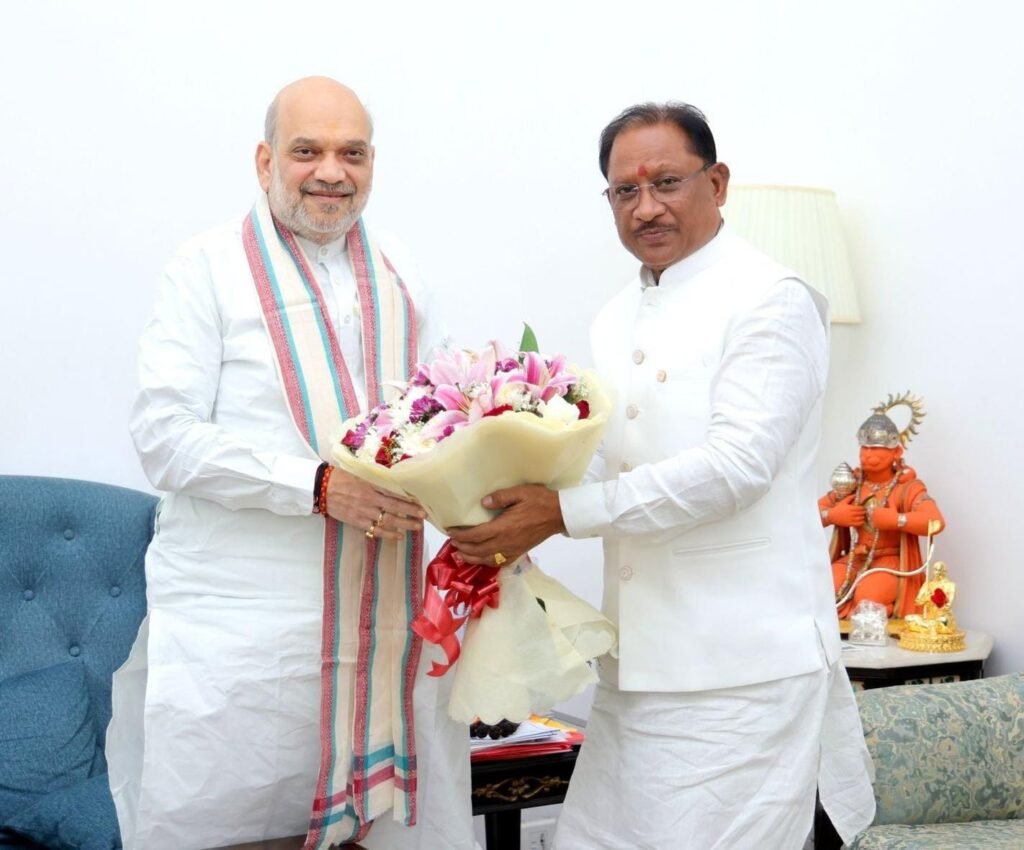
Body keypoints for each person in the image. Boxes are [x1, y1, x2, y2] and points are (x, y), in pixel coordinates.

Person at [448, 102, 876, 849]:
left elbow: (736, 468)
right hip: (636, 666)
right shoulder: (616, 316)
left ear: (718, 182)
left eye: (667, 182)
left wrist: (561, 513)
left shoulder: (772, 299)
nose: (645, 207)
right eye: (625, 190)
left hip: (741, 671)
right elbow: (609, 461)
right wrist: (497, 501)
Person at [107, 77, 474, 850]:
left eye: (353, 153)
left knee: (392, 829)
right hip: (245, 627)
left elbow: (443, 411)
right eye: (308, 151)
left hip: (386, 614)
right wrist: (317, 486)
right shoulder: (206, 267)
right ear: (265, 159)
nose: (331, 172)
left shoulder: (402, 270)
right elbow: (164, 436)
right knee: (228, 828)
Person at [820, 411, 946, 619]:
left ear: (896, 452)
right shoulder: (852, 484)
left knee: (868, 601)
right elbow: (807, 515)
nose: (869, 455)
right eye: (865, 448)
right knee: (821, 591)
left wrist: (897, 520)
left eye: (877, 448)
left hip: (889, 561)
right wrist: (832, 515)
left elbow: (936, 522)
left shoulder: (907, 488)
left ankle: (883, 615)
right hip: (854, 559)